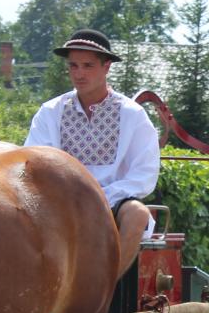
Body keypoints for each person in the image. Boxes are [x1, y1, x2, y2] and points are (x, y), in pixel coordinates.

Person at [25, 28, 160, 275]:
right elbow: (36, 162)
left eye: (88, 66)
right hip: (60, 202)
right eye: (73, 66)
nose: (79, 73)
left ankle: (106, 287)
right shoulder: (50, 111)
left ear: (106, 66)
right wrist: (70, 198)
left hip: (115, 203)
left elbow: (144, 174)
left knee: (138, 213)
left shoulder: (133, 115)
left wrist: (100, 199)